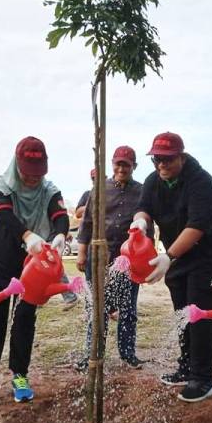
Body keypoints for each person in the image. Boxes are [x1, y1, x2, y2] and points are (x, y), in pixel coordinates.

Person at [131, 132, 212, 403]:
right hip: (177, 251)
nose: (161, 165)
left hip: (208, 251)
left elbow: (197, 227)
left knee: (199, 309)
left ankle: (203, 378)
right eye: (156, 160)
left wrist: (169, 257)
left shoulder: (202, 182)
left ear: (182, 157)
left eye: (167, 159)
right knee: (181, 308)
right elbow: (143, 208)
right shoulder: (154, 181)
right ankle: (186, 365)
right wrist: (140, 222)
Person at [0, 136, 71, 404]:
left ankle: (19, 373)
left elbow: (60, 216)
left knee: (24, 317)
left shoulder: (50, 189)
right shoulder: (2, 184)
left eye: (37, 175)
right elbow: (4, 214)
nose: (32, 180)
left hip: (33, 265)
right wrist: (27, 235)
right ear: (17, 166)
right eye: (27, 174)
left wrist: (60, 235)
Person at [75, 146, 151, 371]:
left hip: (130, 261)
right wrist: (80, 254)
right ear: (112, 164)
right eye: (117, 164)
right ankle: (93, 354)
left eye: (126, 165)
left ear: (134, 167)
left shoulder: (142, 192)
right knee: (97, 309)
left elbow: (150, 225)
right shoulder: (98, 189)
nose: (121, 168)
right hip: (98, 259)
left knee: (128, 309)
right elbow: (87, 222)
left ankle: (128, 354)